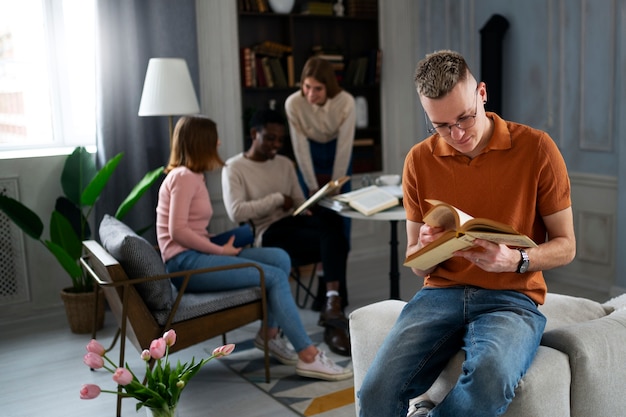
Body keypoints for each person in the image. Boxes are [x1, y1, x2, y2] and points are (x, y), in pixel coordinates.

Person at [357, 50, 576, 417]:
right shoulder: (419, 160)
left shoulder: (537, 148)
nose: (457, 134)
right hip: (440, 294)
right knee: (375, 391)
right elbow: (416, 266)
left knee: (491, 379)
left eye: (464, 117)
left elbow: (566, 246)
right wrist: (427, 248)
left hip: (512, 298)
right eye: (441, 125)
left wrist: (516, 259)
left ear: (482, 94)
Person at [156, 115, 352, 381]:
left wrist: (215, 241)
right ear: (201, 141)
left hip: (198, 254)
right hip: (185, 264)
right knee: (271, 276)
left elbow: (189, 229)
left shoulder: (192, 176)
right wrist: (220, 251)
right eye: (214, 137)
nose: (219, 142)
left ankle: (269, 335)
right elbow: (177, 232)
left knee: (280, 259)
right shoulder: (184, 177)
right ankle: (308, 355)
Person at [221, 109, 352, 357]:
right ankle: (333, 308)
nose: (276, 145)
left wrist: (307, 205)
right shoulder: (234, 168)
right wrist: (276, 199)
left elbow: (298, 201)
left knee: (334, 226)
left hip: (294, 224)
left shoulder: (284, 163)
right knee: (334, 241)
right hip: (267, 233)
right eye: (270, 138)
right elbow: (236, 212)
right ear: (253, 134)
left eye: (280, 140)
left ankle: (332, 304)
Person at [285, 56, 356, 309]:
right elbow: (299, 147)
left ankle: (339, 291)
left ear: (329, 87)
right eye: (306, 87)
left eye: (317, 88)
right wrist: (312, 185)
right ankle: (322, 292)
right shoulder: (293, 103)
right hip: (310, 162)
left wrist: (335, 184)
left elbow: (345, 145)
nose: (310, 94)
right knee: (317, 225)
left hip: (338, 156)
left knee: (340, 225)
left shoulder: (346, 102)